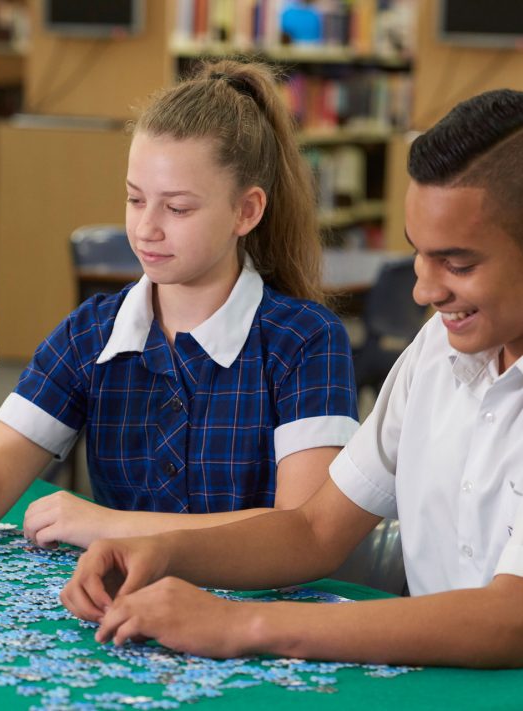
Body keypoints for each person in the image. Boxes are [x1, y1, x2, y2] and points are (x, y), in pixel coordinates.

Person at [60, 88, 523, 668]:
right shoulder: (435, 350)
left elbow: (510, 620)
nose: (424, 291)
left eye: (458, 264)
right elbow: (314, 528)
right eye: (418, 256)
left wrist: (240, 623)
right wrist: (157, 552)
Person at [0, 59, 359, 549]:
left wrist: (110, 526)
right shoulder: (90, 333)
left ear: (247, 210)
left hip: (255, 619)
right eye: (135, 200)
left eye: (177, 208)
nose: (146, 228)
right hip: (117, 615)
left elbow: (302, 533)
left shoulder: (306, 340)